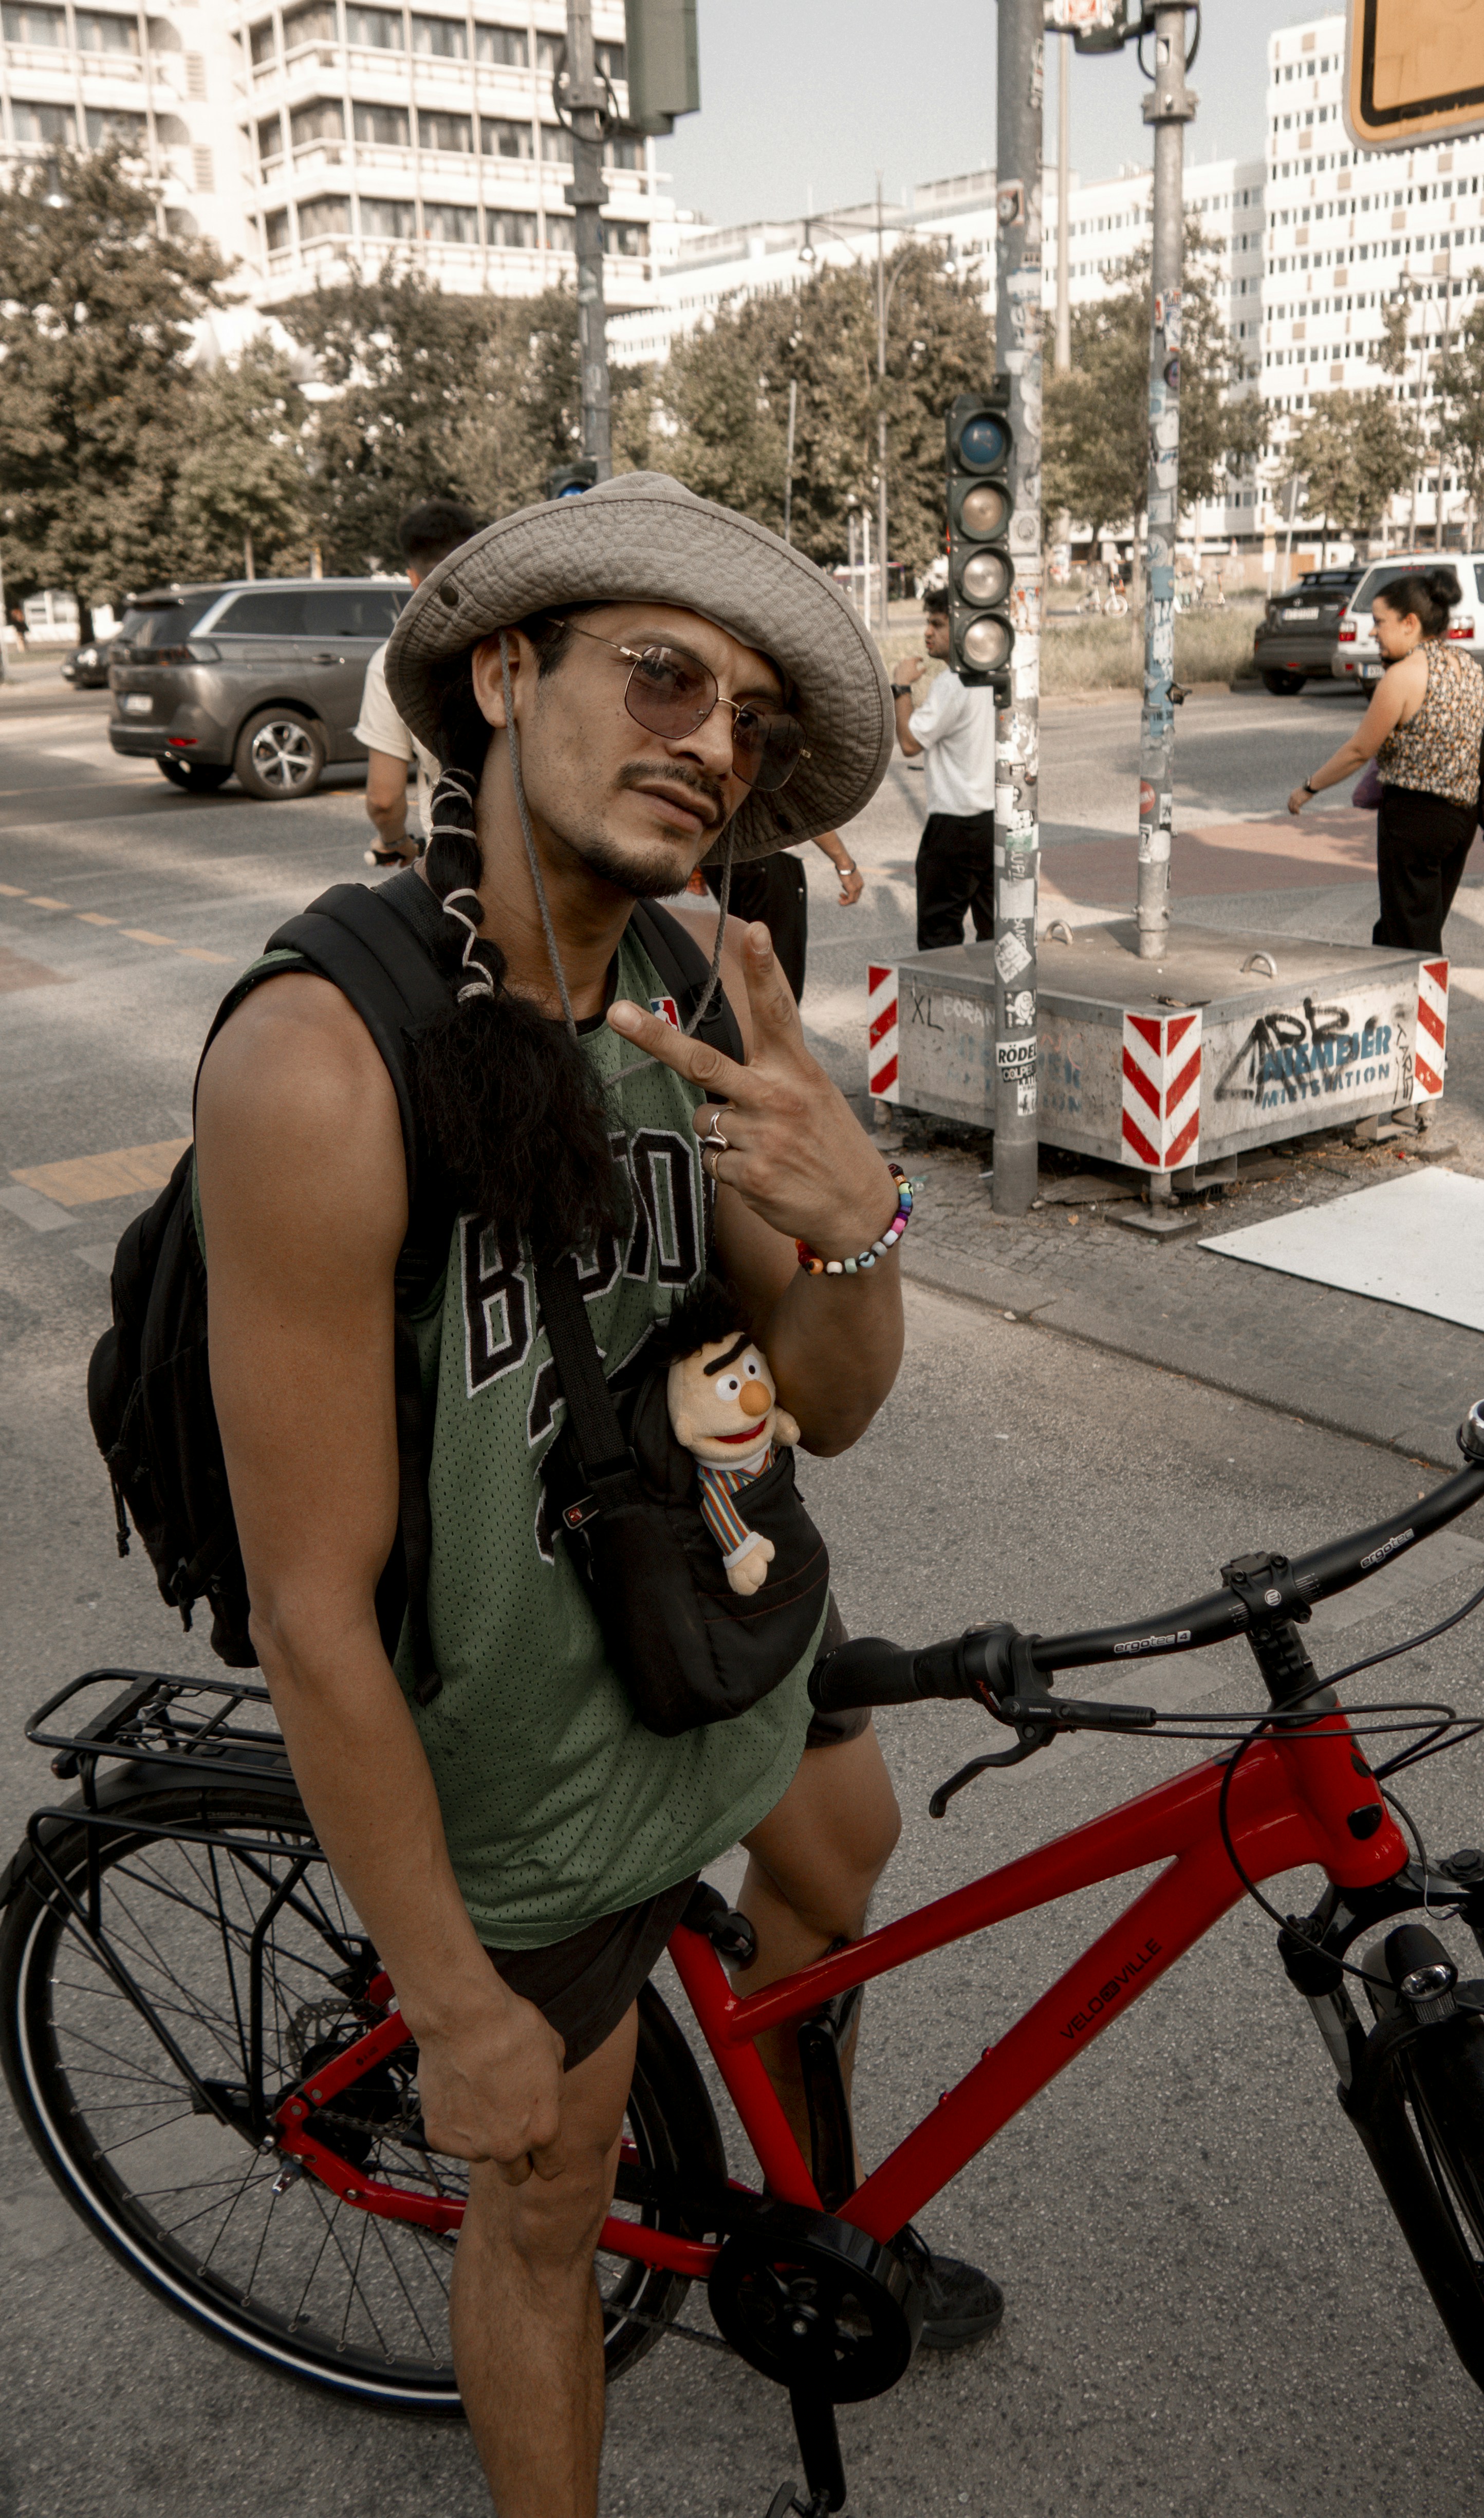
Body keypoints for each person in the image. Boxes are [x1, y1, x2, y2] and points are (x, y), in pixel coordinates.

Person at [194, 473, 1000, 2518]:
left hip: (707, 1602)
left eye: (743, 712)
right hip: (508, 1751)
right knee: (542, 2206)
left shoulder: (707, 982)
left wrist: (856, 1231)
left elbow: (830, 1406)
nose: (711, 738)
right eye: (661, 674)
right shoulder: (323, 1057)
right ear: (501, 673)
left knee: (841, 1861)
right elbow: (311, 1604)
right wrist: (453, 2003)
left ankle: (812, 2241)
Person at [1286, 566, 1484, 956]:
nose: (1373, 631)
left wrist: (1307, 789)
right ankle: (1408, 1009)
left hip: (1414, 820)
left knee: (1408, 941)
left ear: (1409, 623)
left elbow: (1359, 750)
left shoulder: (1403, 676)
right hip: (1461, 819)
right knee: (1419, 925)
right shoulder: (1468, 666)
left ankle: (1415, 1013)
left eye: (1380, 622)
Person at [356, 496, 483, 867]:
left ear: (413, 580)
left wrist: (394, 841)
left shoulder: (393, 662)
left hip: (459, 862)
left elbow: (384, 800)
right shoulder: (523, 639)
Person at [892, 584, 995, 951]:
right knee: (995, 932)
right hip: (991, 819)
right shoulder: (991, 672)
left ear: (964, 628)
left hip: (955, 824)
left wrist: (900, 688)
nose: (927, 633)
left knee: (939, 933)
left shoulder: (952, 682)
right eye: (928, 623)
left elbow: (908, 743)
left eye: (937, 624)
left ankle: (947, 1005)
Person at [702, 826, 864, 1002]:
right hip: (767, 850)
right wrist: (846, 865)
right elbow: (804, 806)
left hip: (718, 853)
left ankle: (746, 1025)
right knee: (779, 978)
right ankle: (767, 1027)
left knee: (745, 964)